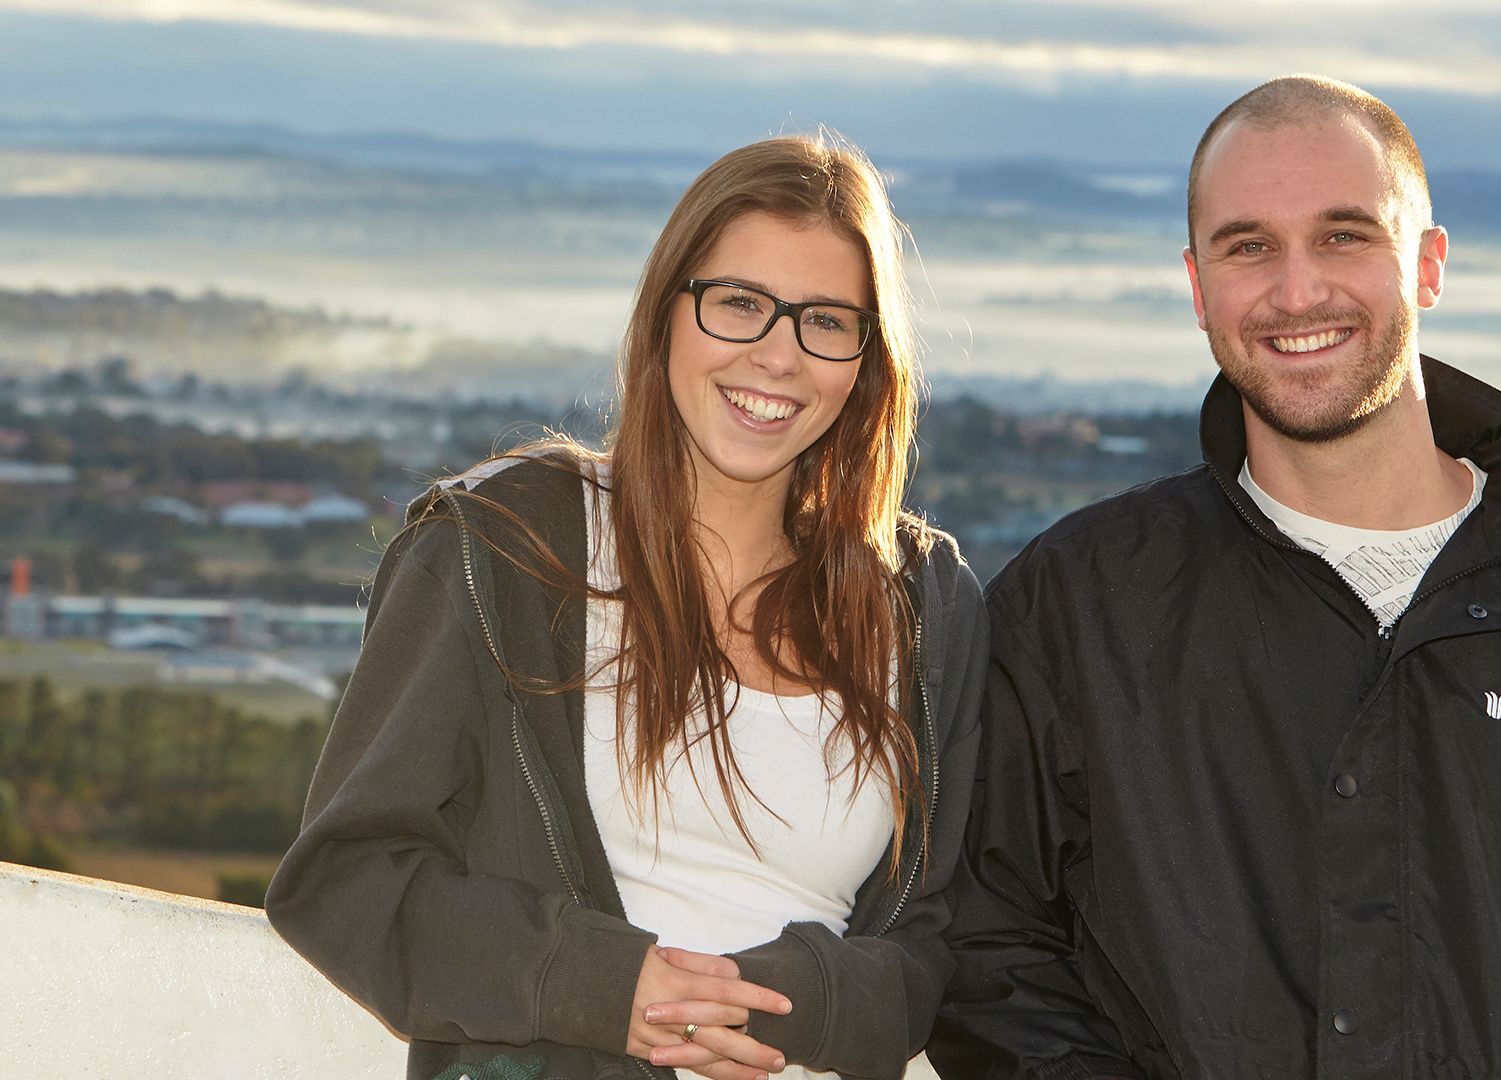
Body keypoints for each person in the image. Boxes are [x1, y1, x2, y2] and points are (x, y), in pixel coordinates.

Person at [929, 75, 1501, 1078]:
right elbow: (988, 955)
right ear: (1198, 284)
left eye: (1345, 235)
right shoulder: (1076, 607)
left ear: (1426, 264)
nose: (1298, 292)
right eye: (1249, 245)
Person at [267, 133, 988, 1080]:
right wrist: (608, 987)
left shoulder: (923, 602)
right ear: (665, 316)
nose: (778, 356)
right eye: (739, 304)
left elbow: (947, 934)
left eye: (825, 320)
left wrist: (797, 1002)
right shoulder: (504, 545)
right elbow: (346, 878)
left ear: (866, 358)